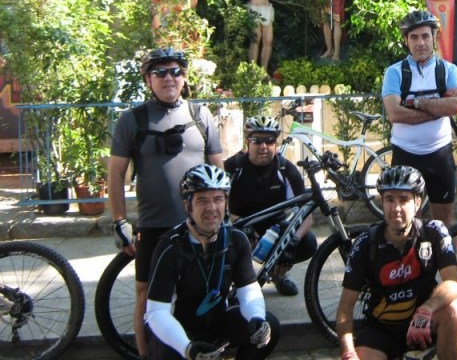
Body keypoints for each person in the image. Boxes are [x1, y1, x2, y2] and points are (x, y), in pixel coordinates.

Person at [108, 47, 225, 359]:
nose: (168, 78)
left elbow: (218, 168)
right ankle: (146, 355)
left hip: (198, 225)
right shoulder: (132, 120)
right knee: (146, 293)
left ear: (184, 77)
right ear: (148, 79)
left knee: (200, 290)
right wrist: (119, 221)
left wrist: (224, 214)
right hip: (154, 224)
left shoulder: (201, 116)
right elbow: (116, 173)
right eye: (159, 72)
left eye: (175, 71)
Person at [145, 164, 280, 360]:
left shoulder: (236, 240)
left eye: (218, 199)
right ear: (188, 205)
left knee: (270, 325)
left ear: (226, 203)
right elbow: (157, 312)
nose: (211, 208)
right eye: (202, 200)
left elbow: (248, 290)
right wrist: (187, 348)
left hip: (216, 323)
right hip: (176, 330)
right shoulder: (170, 247)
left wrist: (256, 317)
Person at [337, 165, 457, 360]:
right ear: (382, 202)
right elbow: (345, 308)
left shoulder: (433, 232)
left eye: (403, 200)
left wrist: (426, 310)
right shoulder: (365, 243)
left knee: (454, 309)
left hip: (423, 321)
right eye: (389, 199)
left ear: (417, 202)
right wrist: (348, 352)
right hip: (381, 330)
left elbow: (454, 283)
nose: (396, 208)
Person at [381, 9, 457, 227]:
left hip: (440, 155)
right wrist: (439, 107)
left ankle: (444, 252)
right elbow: (395, 114)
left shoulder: (449, 70)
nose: (420, 43)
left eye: (425, 36)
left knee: (445, 223)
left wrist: (416, 102)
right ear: (406, 41)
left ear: (434, 38)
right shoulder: (394, 73)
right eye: (414, 37)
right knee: (408, 223)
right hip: (405, 154)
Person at [223, 115, 317, 297]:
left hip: (273, 231)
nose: (263, 146)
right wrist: (240, 224)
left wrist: (293, 241)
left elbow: (306, 215)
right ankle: (238, 278)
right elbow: (218, 207)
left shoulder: (286, 170)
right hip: (240, 227)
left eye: (269, 140)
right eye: (256, 140)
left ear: (276, 143)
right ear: (247, 142)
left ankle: (277, 274)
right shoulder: (233, 167)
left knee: (308, 242)